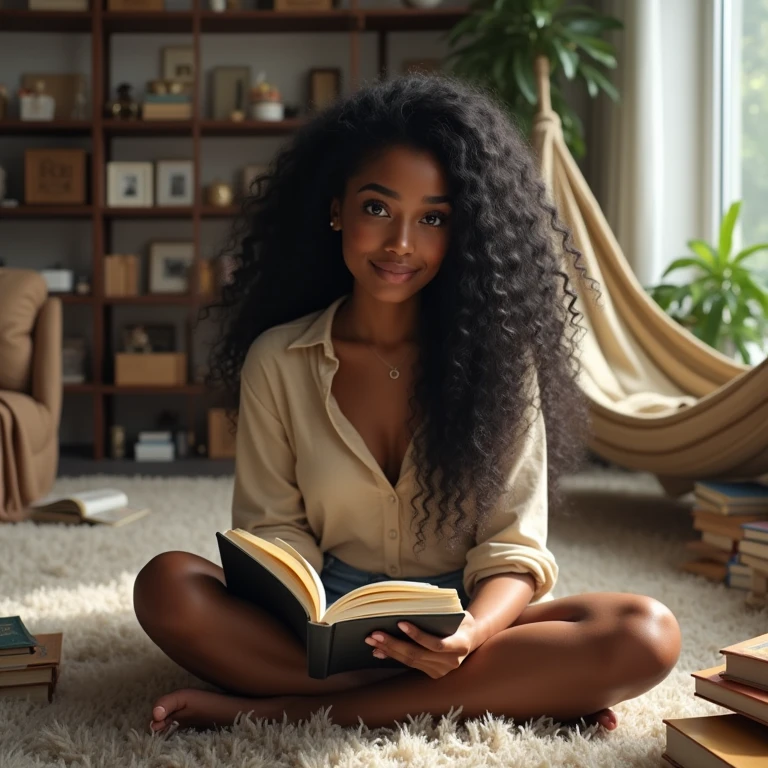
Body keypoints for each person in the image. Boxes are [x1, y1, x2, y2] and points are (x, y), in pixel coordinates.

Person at [133, 72, 682, 735]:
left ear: (464, 232)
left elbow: (514, 549)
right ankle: (475, 693)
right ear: (337, 209)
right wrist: (311, 615)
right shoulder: (278, 359)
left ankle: (289, 709)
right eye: (376, 208)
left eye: (432, 218)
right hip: (323, 622)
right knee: (166, 585)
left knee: (646, 633)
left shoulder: (504, 365)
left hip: (467, 618)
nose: (400, 243)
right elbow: (272, 531)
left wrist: (469, 635)